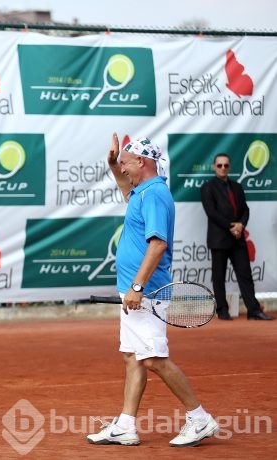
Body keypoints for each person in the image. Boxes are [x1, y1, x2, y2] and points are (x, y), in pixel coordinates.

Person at [87, 134, 219, 448]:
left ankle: (199, 418)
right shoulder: (141, 192)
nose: (123, 168)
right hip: (136, 293)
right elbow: (124, 186)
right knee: (132, 357)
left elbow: (158, 244)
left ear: (142, 163)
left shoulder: (155, 194)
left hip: (146, 293)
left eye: (125, 163)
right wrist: (112, 165)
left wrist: (137, 286)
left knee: (154, 359)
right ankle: (126, 426)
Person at [200, 153, 274, 321]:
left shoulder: (237, 186)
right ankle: (222, 310)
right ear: (214, 167)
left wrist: (241, 225)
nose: (223, 168)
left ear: (230, 167)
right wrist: (231, 226)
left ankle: (253, 310)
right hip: (219, 239)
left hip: (238, 238)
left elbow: (245, 210)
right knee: (219, 276)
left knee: (245, 275)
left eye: (226, 165)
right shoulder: (208, 187)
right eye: (219, 165)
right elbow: (211, 213)